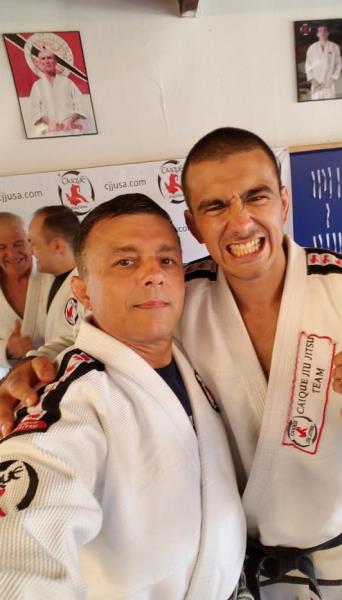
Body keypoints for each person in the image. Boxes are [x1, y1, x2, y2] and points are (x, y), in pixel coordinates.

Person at [1, 128, 342, 599]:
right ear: (194, 225)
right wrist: (34, 364)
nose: (240, 222)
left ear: (283, 202)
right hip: (238, 565)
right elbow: (97, 331)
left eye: (256, 197)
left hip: (341, 551)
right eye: (215, 206)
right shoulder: (180, 295)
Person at [0, 195, 246, 599]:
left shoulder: (187, 353)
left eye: (167, 260)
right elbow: (24, 539)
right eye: (125, 262)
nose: (154, 274)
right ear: (83, 291)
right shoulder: (71, 399)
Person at [0, 213, 50, 378]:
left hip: (65, 371)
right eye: (1, 247)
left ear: (30, 243)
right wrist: (8, 349)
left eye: (18, 244)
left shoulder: (52, 273)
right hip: (15, 380)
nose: (12, 254)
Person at [28, 206, 85, 344]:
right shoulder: (44, 280)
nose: (30, 251)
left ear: (57, 245)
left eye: (33, 243)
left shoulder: (89, 287)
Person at [29, 48, 87, 136]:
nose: (47, 61)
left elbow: (80, 103)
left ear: (55, 61)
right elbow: (34, 109)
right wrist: (48, 121)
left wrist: (71, 119)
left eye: (49, 58)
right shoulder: (37, 85)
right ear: (40, 63)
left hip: (70, 130)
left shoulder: (68, 82)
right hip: (49, 131)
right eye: (43, 59)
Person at [305, 24, 342, 100]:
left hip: (329, 83)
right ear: (317, 34)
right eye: (320, 31)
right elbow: (308, 66)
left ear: (328, 33)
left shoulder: (334, 47)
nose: (322, 33)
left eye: (325, 31)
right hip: (316, 83)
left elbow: (339, 65)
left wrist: (332, 79)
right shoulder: (312, 48)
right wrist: (312, 80)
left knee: (330, 104)